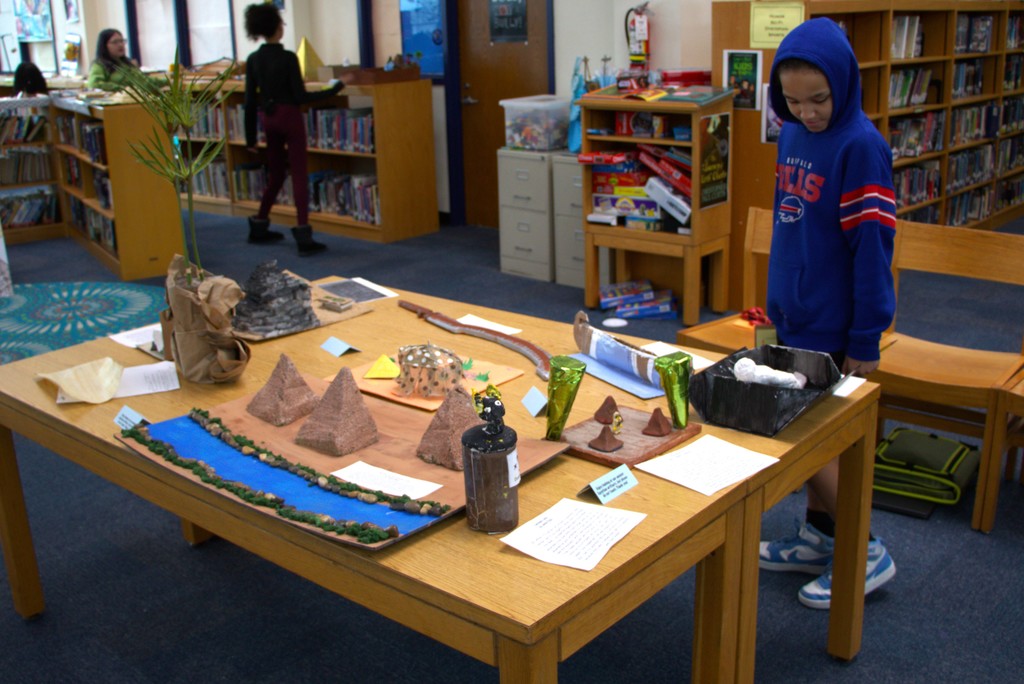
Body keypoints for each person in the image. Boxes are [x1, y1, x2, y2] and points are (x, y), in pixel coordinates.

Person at [758, 17, 897, 610]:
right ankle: (821, 536)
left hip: (836, 322)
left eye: (818, 99)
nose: (807, 112)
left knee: (811, 438)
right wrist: (777, 301)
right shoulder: (791, 132)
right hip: (796, 313)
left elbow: (873, 249)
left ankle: (865, 550)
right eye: (793, 101)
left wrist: (865, 336)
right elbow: (788, 224)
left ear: (843, 84)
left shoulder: (861, 146)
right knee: (814, 439)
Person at [243, 2, 344, 254]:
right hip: (289, 117)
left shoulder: (253, 59)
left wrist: (250, 138)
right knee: (299, 173)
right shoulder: (288, 58)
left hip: (269, 118)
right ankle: (303, 234)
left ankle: (259, 224)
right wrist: (334, 89)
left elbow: (249, 101)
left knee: (276, 174)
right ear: (277, 28)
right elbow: (300, 97)